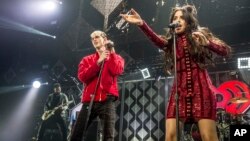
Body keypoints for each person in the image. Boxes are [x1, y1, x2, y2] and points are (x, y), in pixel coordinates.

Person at [121, 5, 231, 141]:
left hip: (201, 91)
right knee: (171, 136)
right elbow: (156, 39)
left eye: (181, 18)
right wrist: (141, 24)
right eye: (175, 18)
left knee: (208, 137)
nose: (177, 20)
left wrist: (208, 43)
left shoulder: (199, 35)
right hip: (178, 92)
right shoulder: (171, 42)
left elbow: (225, 51)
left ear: (188, 21)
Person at [69, 30, 125, 141]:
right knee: (77, 133)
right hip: (89, 101)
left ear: (105, 39)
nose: (94, 39)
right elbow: (82, 77)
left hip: (107, 99)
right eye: (92, 38)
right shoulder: (87, 60)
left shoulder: (116, 57)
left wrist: (112, 53)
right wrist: (98, 62)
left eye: (97, 37)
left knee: (108, 136)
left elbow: (117, 70)